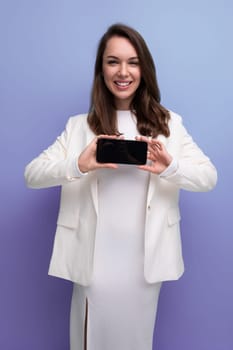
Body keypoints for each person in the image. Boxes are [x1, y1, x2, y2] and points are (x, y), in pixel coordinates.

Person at [24, 23, 217, 350]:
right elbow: (33, 174)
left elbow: (208, 177)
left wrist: (170, 167)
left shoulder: (169, 125)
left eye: (132, 61)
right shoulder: (79, 127)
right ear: (101, 68)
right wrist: (79, 164)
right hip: (93, 263)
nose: (123, 71)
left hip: (144, 265)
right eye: (113, 61)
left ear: (145, 68)